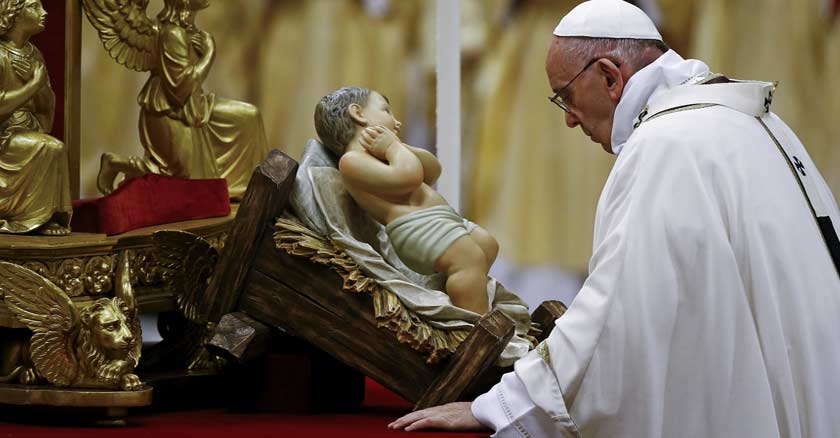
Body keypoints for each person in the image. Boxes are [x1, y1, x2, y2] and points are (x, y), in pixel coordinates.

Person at [390, 0, 840, 436]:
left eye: (565, 96)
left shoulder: (667, 145)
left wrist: (505, 405)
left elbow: (613, 317)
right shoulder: (748, 121)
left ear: (609, 76)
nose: (569, 120)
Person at [314, 87, 498, 314]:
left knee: (487, 244)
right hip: (415, 227)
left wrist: (397, 146)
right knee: (469, 260)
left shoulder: (386, 152)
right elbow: (408, 177)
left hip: (439, 221)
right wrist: (392, 147)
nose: (397, 121)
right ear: (358, 113)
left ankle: (465, 295)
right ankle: (473, 324)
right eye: (386, 110)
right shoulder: (352, 161)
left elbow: (432, 170)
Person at [90, 0, 269, 199]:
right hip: (167, 113)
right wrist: (209, 55)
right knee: (182, 180)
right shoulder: (171, 34)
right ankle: (116, 163)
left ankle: (250, 191)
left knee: (249, 117)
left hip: (194, 107)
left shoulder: (188, 31)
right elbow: (180, 89)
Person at [0, 0, 72, 236]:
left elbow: (47, 105)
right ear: (13, 14)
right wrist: (32, 85)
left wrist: (39, 87)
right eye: (34, 6)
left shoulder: (34, 54)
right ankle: (33, 218)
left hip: (29, 129)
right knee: (52, 148)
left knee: (51, 147)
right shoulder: (0, 55)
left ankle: (42, 217)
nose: (44, 12)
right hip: (4, 136)